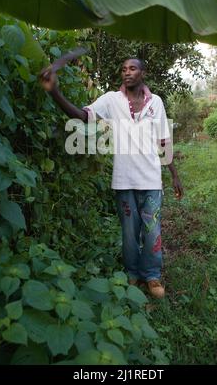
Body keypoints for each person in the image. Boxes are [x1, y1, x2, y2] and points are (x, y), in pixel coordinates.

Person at [40, 55, 183, 299]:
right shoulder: (111, 100)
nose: (127, 72)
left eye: (133, 68)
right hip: (124, 180)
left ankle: (151, 274)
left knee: (151, 231)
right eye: (124, 68)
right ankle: (132, 273)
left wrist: (174, 175)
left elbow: (163, 140)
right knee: (129, 233)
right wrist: (55, 93)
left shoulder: (155, 102)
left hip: (150, 180)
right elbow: (83, 116)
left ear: (143, 73)